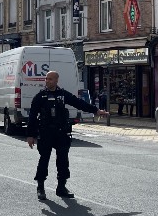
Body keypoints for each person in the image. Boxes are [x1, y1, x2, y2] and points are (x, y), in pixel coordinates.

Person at [26, 71, 108, 200]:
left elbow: (79, 103)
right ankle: (40, 187)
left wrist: (96, 111)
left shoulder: (63, 95)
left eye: (51, 79)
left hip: (61, 133)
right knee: (44, 159)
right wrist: (30, 135)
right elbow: (32, 116)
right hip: (46, 132)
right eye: (46, 79)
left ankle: (61, 187)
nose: (47, 81)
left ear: (57, 80)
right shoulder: (40, 96)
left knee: (63, 161)